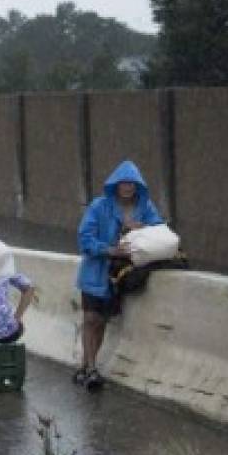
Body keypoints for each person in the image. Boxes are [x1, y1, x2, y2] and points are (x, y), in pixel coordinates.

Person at [76, 160, 163, 391]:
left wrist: (141, 229)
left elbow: (159, 232)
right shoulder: (99, 206)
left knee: (102, 320)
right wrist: (108, 249)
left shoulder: (145, 207)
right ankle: (92, 368)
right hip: (95, 272)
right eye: (123, 183)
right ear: (115, 185)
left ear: (138, 186)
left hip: (119, 275)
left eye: (132, 183)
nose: (127, 187)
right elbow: (85, 238)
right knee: (90, 319)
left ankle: (86, 366)